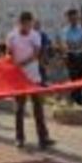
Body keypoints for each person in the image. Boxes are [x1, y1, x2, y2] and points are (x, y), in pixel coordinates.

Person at [7, 12, 55, 150]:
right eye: (25, 24)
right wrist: (11, 65)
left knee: (38, 107)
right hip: (19, 78)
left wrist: (21, 63)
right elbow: (8, 53)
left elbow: (36, 54)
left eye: (29, 24)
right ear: (19, 23)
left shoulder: (35, 35)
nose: (27, 27)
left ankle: (43, 138)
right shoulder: (12, 36)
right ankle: (19, 138)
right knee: (19, 109)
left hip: (34, 77)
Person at [60, 9, 82, 105]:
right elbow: (66, 44)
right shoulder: (65, 30)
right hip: (71, 56)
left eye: (75, 18)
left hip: (81, 55)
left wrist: (79, 44)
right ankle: (78, 99)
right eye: (72, 18)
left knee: (81, 78)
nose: (74, 20)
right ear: (68, 19)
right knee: (74, 78)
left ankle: (74, 96)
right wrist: (75, 45)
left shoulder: (81, 29)